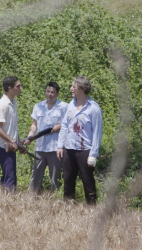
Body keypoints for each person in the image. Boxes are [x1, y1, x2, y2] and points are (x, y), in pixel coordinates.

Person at [57, 76, 103, 205]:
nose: (71, 89)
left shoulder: (93, 108)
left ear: (82, 89)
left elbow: (97, 133)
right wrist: (60, 145)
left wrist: (93, 154)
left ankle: (91, 208)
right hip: (69, 148)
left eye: (74, 86)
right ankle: (68, 209)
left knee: (88, 181)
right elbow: (65, 125)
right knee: (68, 180)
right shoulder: (71, 104)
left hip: (85, 150)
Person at [24, 81, 68, 193]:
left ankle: (55, 200)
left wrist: (60, 126)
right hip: (40, 147)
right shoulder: (38, 106)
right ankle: (32, 198)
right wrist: (30, 136)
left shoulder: (64, 107)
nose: (50, 94)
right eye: (48, 91)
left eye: (53, 92)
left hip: (56, 148)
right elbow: (34, 124)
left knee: (55, 177)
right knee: (36, 175)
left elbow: (70, 124)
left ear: (57, 94)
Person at [0, 76, 24, 191]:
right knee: (10, 177)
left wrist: (18, 142)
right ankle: (8, 204)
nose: (21, 88)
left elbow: (12, 127)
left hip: (11, 145)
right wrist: (11, 141)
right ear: (10, 88)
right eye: (18, 86)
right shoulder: (2, 105)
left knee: (8, 175)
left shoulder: (13, 102)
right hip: (2, 146)